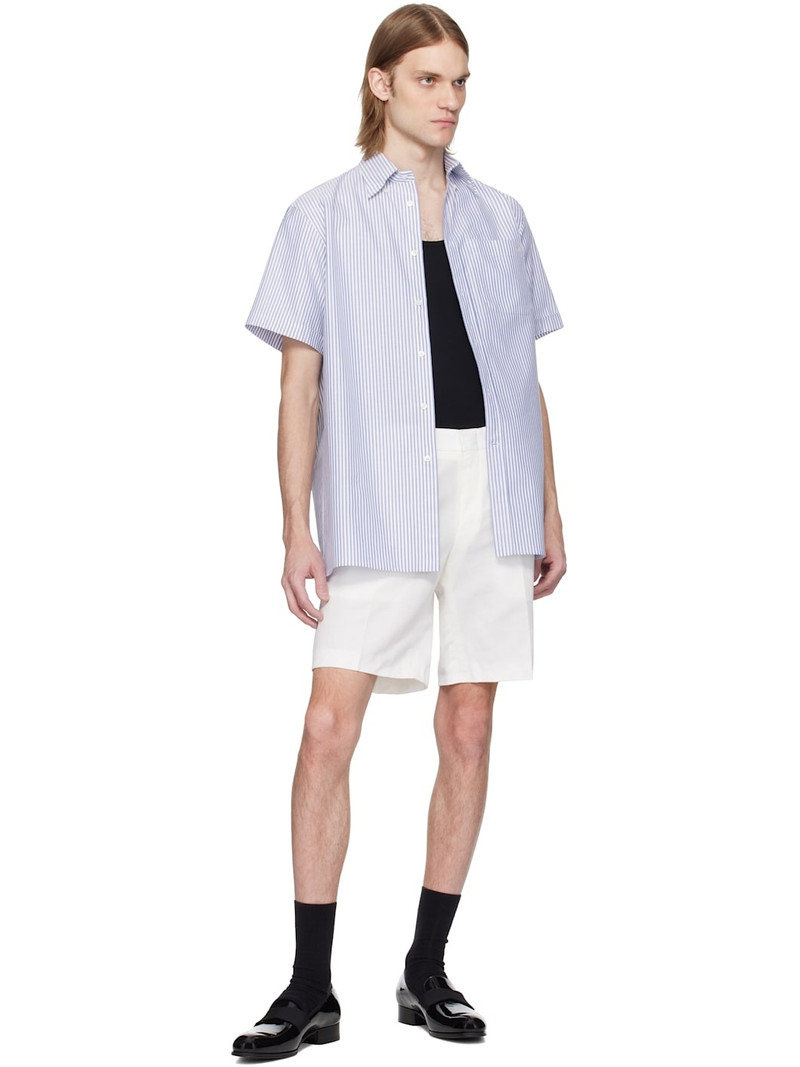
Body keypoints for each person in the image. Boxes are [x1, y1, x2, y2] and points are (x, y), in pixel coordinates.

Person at [232, 3, 567, 1058]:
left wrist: (549, 503)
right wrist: (295, 527)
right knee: (328, 726)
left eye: (460, 81)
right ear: (380, 83)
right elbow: (299, 385)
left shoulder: (500, 217)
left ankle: (426, 968)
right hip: (378, 492)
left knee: (468, 726)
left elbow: (521, 375)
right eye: (429, 79)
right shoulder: (321, 218)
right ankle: (308, 985)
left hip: (491, 488)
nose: (450, 100)